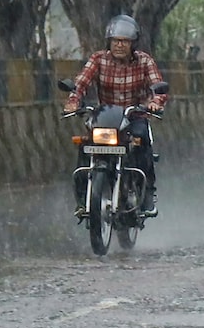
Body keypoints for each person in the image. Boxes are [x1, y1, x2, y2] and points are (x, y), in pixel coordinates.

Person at [63, 14, 168, 218]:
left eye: (125, 41)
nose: (119, 45)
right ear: (109, 42)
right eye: (115, 41)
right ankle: (83, 197)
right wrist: (73, 101)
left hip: (135, 115)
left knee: (143, 143)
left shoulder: (144, 61)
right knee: (85, 145)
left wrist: (155, 103)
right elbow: (81, 82)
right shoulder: (98, 59)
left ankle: (147, 194)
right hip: (105, 116)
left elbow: (158, 87)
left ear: (133, 44)